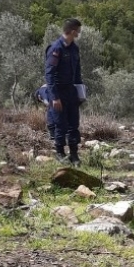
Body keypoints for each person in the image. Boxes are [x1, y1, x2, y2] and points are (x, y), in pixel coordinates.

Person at [45, 18, 85, 166]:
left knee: (73, 123)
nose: (79, 33)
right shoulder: (56, 49)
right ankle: (60, 153)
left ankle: (74, 154)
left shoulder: (74, 49)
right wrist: (54, 97)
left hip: (71, 90)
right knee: (60, 124)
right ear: (73, 31)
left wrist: (80, 92)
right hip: (58, 91)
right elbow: (49, 74)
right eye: (78, 30)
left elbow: (77, 72)